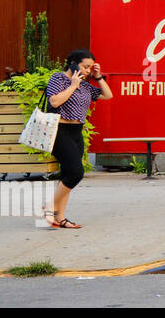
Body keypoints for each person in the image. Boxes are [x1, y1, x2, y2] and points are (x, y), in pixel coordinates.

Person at [43, 49, 113, 228]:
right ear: (73, 63)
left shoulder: (86, 85)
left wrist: (98, 77)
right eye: (85, 66)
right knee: (75, 173)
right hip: (59, 129)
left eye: (91, 67)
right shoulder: (58, 79)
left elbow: (107, 95)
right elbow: (54, 102)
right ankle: (50, 208)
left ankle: (60, 218)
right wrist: (73, 85)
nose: (88, 70)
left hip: (76, 131)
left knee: (68, 175)